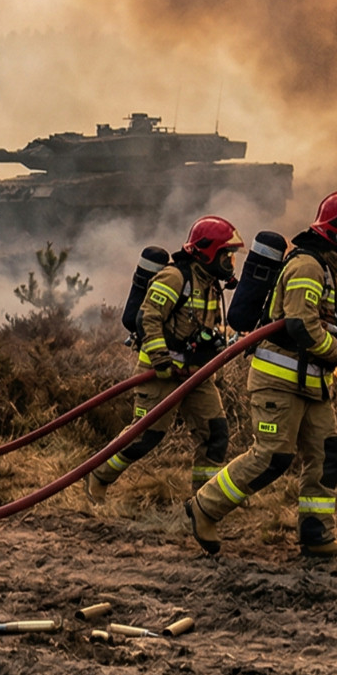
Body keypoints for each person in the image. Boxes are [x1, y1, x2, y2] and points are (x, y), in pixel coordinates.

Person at [187, 191, 337, 558]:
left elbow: (325, 324)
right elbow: (302, 327)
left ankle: (316, 536)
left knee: (327, 454)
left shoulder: (327, 270)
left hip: (311, 385)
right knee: (271, 457)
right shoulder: (307, 266)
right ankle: (204, 507)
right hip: (279, 382)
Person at [85, 216, 239, 505]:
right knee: (145, 437)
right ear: (208, 252)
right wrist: (161, 360)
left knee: (215, 434)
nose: (230, 263)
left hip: (197, 374)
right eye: (226, 255)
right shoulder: (175, 277)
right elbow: (148, 318)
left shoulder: (210, 284)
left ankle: (203, 502)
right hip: (161, 371)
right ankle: (98, 476)